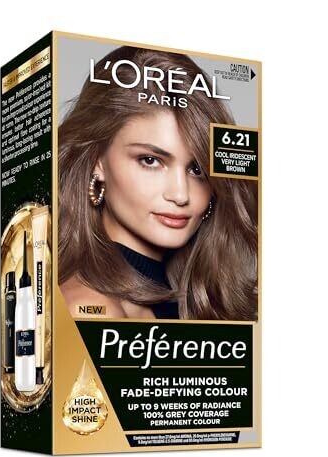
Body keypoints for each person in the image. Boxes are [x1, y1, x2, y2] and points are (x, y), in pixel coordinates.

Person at [58, 46, 257, 320]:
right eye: (150, 160)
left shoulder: (195, 298)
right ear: (97, 162)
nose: (180, 194)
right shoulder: (94, 310)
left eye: (197, 169)